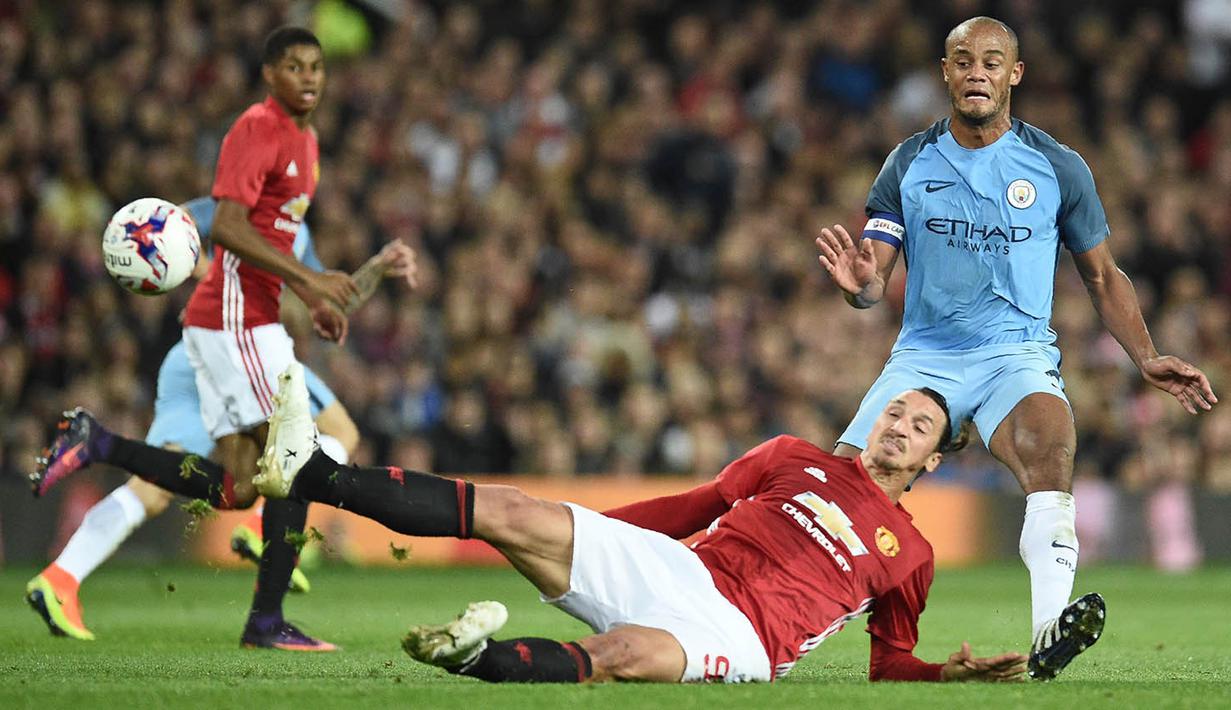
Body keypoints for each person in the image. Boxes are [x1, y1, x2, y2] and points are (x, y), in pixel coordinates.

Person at [812, 16, 1216, 679]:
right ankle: (777, 619)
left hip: (1016, 357)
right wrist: (860, 290)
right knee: (834, 491)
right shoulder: (907, 163)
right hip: (924, 358)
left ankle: (1048, 633)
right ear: (944, 73)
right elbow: (870, 279)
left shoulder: (1058, 167)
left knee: (1050, 448)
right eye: (962, 61)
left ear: (1013, 74)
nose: (976, 72)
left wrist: (1145, 356)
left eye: (991, 62)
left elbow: (1102, 276)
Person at [252, 363, 1080, 683]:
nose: (897, 424)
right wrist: (585, 530)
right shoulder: (793, 456)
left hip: (747, 638)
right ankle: (316, 471)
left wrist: (950, 677)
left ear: (932, 461)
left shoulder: (912, 556)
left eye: (917, 426)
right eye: (893, 410)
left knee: (624, 657)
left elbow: (887, 664)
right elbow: (689, 512)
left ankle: (472, 657)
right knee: (510, 510)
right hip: (682, 570)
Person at [33, 27, 367, 651]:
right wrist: (306, 282)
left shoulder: (306, 143)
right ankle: (267, 620)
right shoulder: (256, 131)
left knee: (238, 488)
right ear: (269, 74)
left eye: (317, 66)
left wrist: (314, 295)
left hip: (246, 324)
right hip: (238, 322)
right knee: (298, 459)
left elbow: (282, 240)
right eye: (294, 66)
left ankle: (99, 441)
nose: (310, 77)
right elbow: (217, 224)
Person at [24, 196, 415, 641]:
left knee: (160, 484)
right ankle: (259, 533)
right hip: (240, 351)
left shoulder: (296, 233)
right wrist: (207, 276)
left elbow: (324, 305)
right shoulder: (231, 204)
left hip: (204, 357)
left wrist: (377, 269)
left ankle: (60, 578)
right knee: (333, 435)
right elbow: (169, 232)